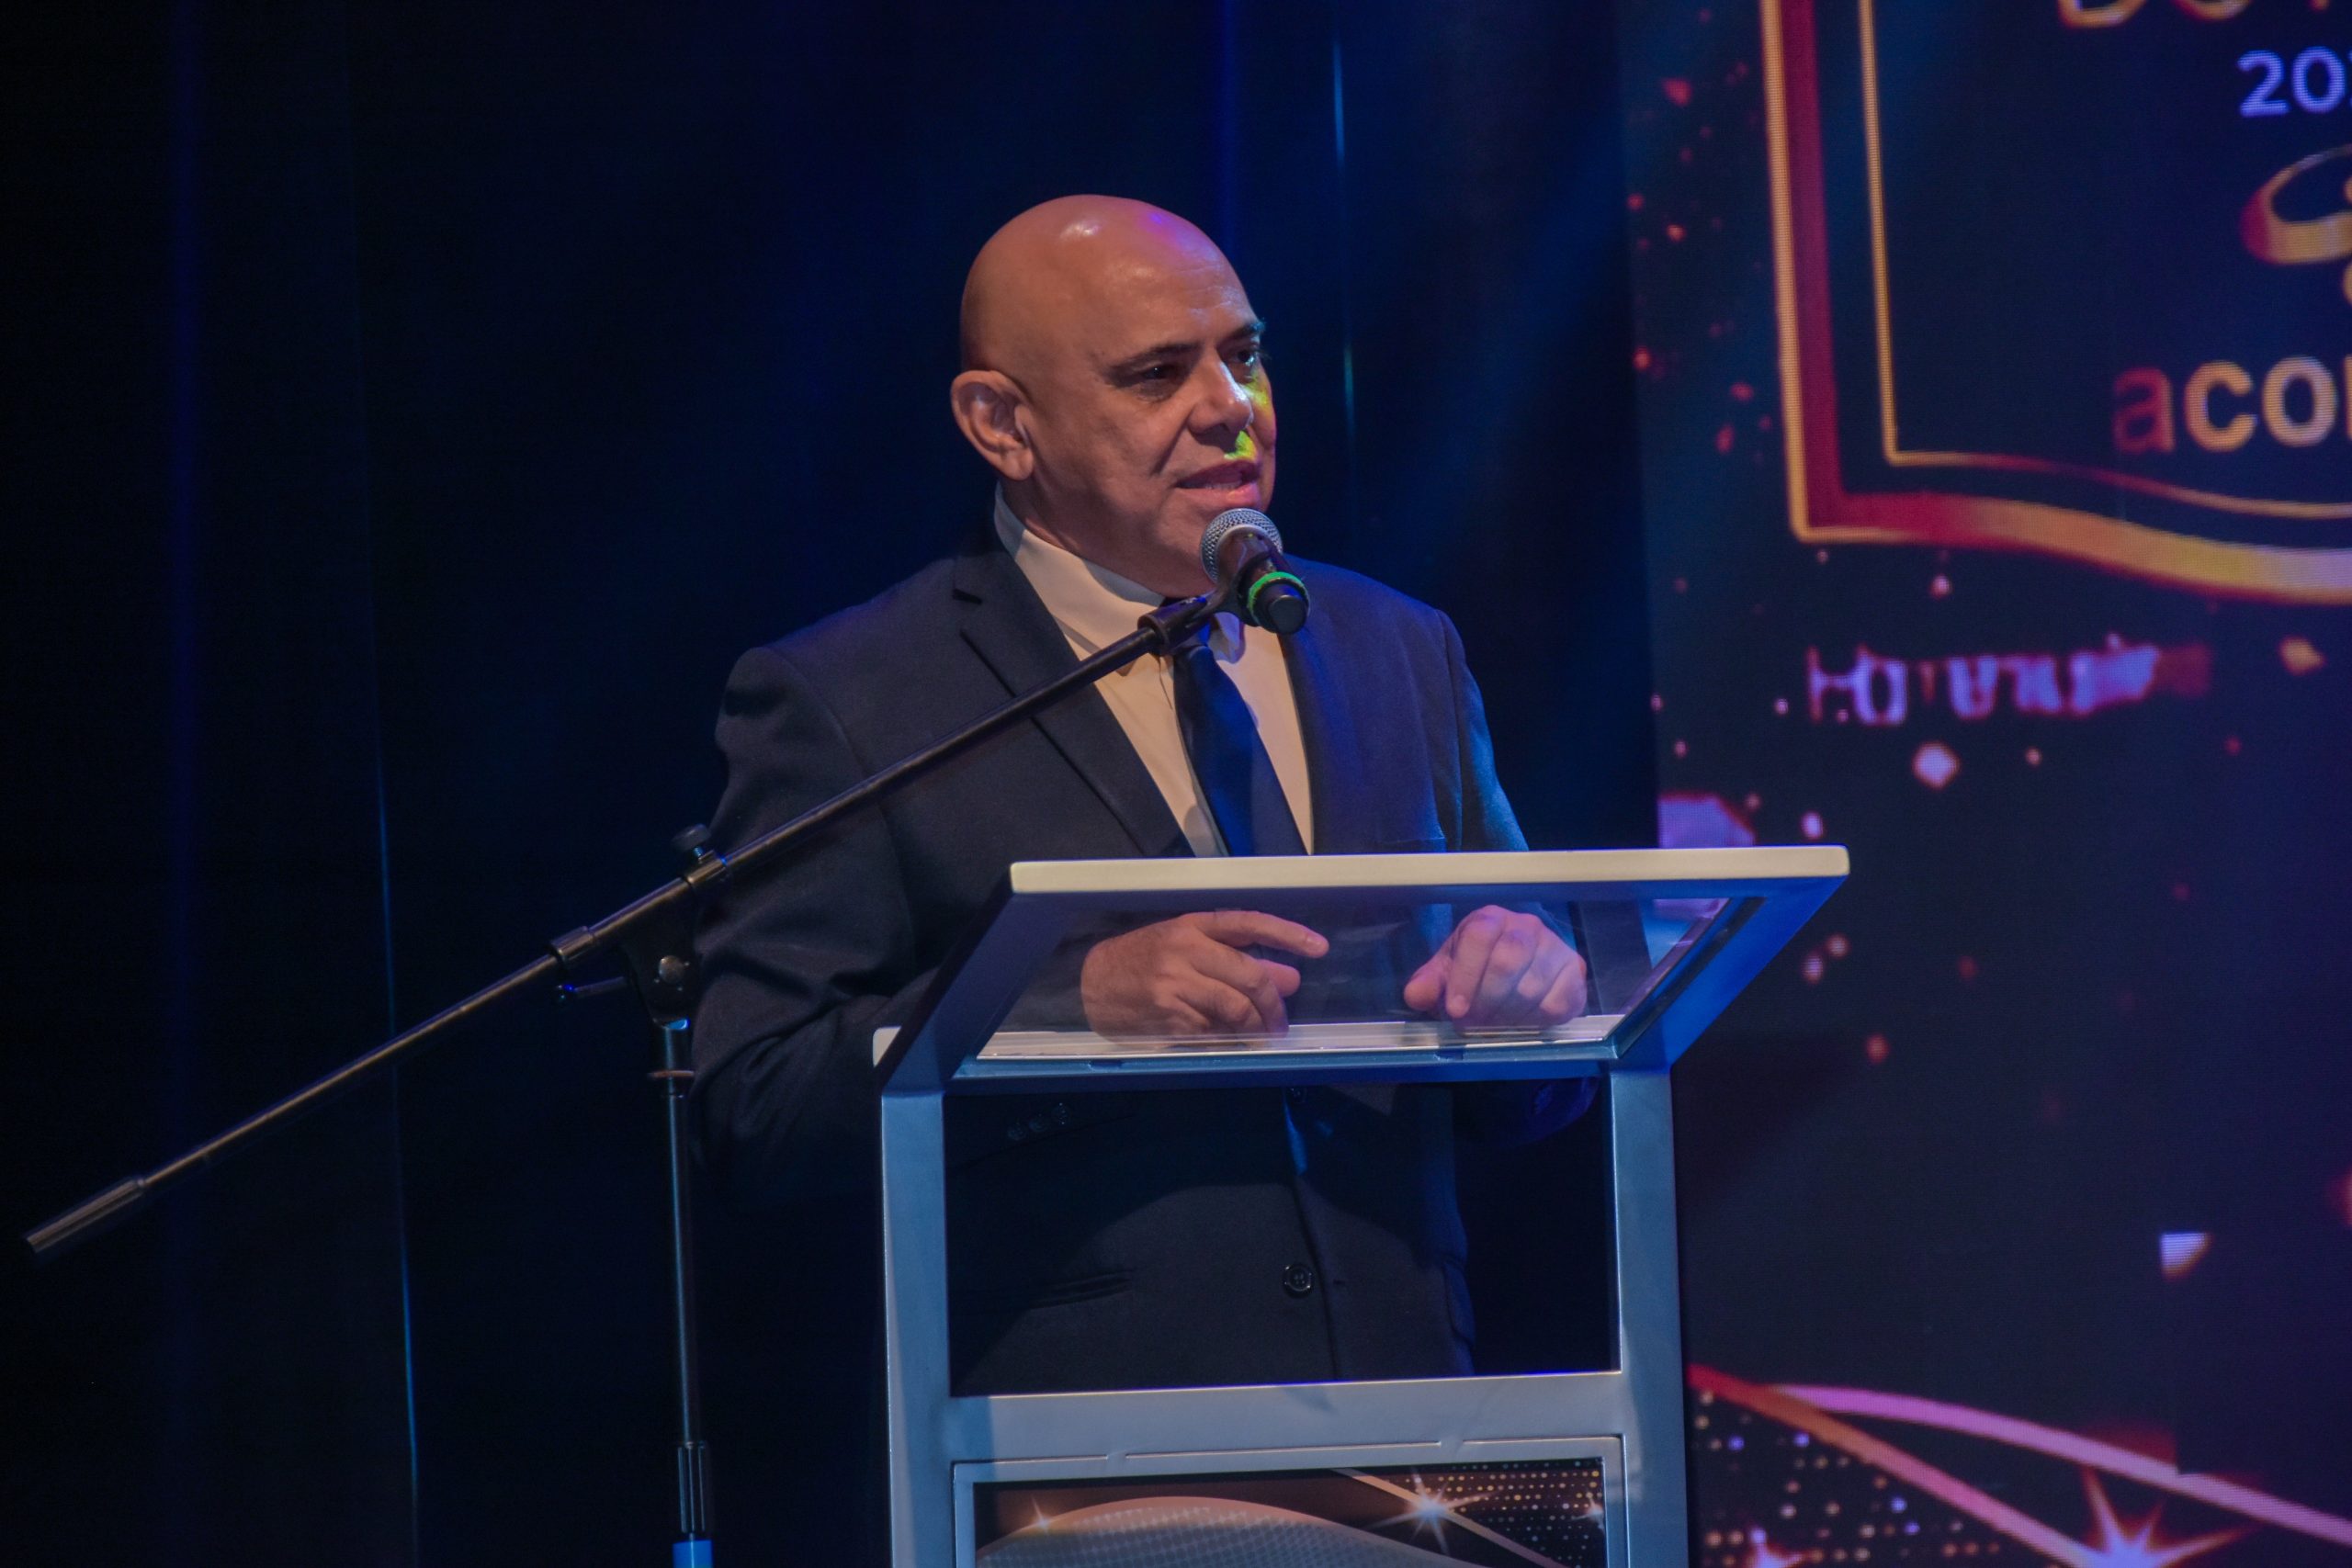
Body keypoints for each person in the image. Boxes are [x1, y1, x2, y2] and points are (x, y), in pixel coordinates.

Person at [691, 195, 1592, 1397]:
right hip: (1077, 1449)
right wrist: (1063, 1007)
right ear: (1002, 424)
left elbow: (1538, 1066)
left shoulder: (1400, 647)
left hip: (1414, 1424)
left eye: (1245, 354)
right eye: (1158, 374)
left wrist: (1535, 997)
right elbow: (758, 1107)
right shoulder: (852, 696)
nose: (1230, 406)